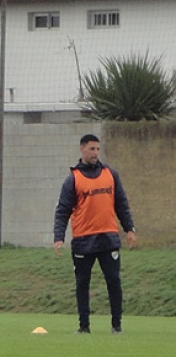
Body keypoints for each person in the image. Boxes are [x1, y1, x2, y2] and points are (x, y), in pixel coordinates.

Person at [53, 133, 137, 334]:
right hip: (83, 239)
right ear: (82, 149)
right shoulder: (73, 179)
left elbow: (121, 204)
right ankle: (84, 326)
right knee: (82, 283)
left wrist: (129, 229)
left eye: (98, 149)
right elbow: (63, 210)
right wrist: (59, 237)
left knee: (114, 281)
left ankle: (117, 326)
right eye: (91, 149)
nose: (95, 153)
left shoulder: (110, 174)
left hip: (108, 237)